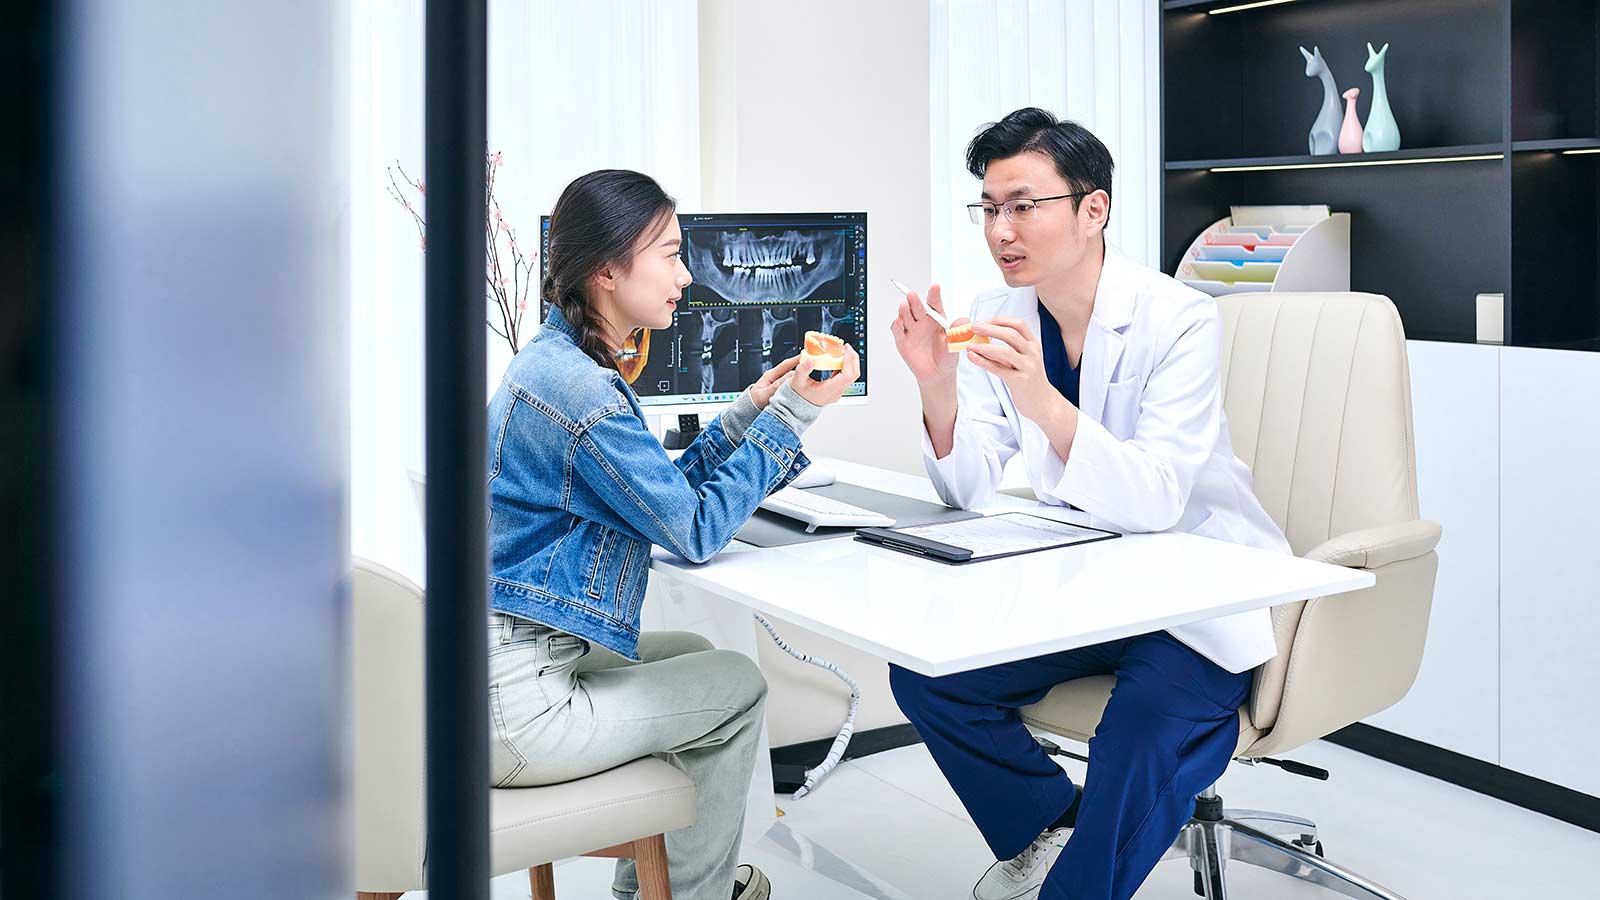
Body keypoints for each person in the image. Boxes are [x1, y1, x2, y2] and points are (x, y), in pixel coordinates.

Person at [886, 108, 1292, 900]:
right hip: (1084, 580)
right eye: (990, 208)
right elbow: (966, 490)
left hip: (1194, 591)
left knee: (1136, 744)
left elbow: (1157, 499)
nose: (1002, 229)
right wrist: (937, 385)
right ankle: (1050, 827)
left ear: (1092, 208)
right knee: (928, 674)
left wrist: (1040, 400)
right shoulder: (999, 310)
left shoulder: (1179, 318)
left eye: (1023, 205)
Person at [485, 168, 860, 900]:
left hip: (498, 677)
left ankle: (656, 888)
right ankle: (693, 894)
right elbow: (693, 532)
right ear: (606, 269)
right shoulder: (584, 390)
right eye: (669, 253)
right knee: (738, 685)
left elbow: (662, 498)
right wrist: (795, 418)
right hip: (523, 709)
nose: (687, 276)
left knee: (694, 653)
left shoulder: (556, 363)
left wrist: (753, 408)